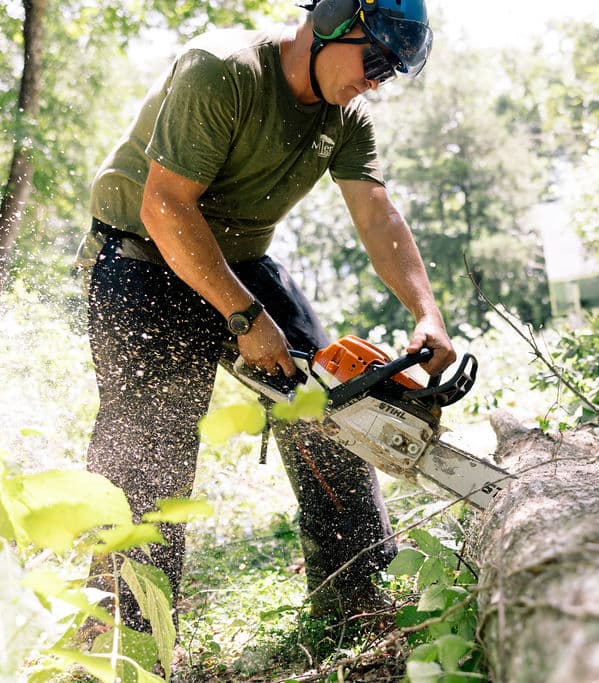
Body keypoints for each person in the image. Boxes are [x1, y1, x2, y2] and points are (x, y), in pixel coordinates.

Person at [76, 0, 454, 638]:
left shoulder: (346, 117)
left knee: (335, 408)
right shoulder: (221, 70)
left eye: (391, 70)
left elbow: (377, 214)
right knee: (151, 451)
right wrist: (245, 316)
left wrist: (427, 312)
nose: (376, 78)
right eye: (375, 57)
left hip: (242, 259)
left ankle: (357, 608)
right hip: (143, 255)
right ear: (334, 17)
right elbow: (166, 205)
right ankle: (124, 640)